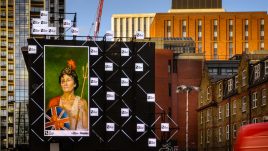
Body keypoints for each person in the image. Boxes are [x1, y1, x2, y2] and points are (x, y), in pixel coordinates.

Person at [48, 59, 88, 130]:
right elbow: (50, 125)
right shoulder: (54, 102)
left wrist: (84, 110)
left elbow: (86, 126)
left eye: (68, 80)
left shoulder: (82, 102)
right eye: (63, 81)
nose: (65, 84)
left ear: (75, 84)